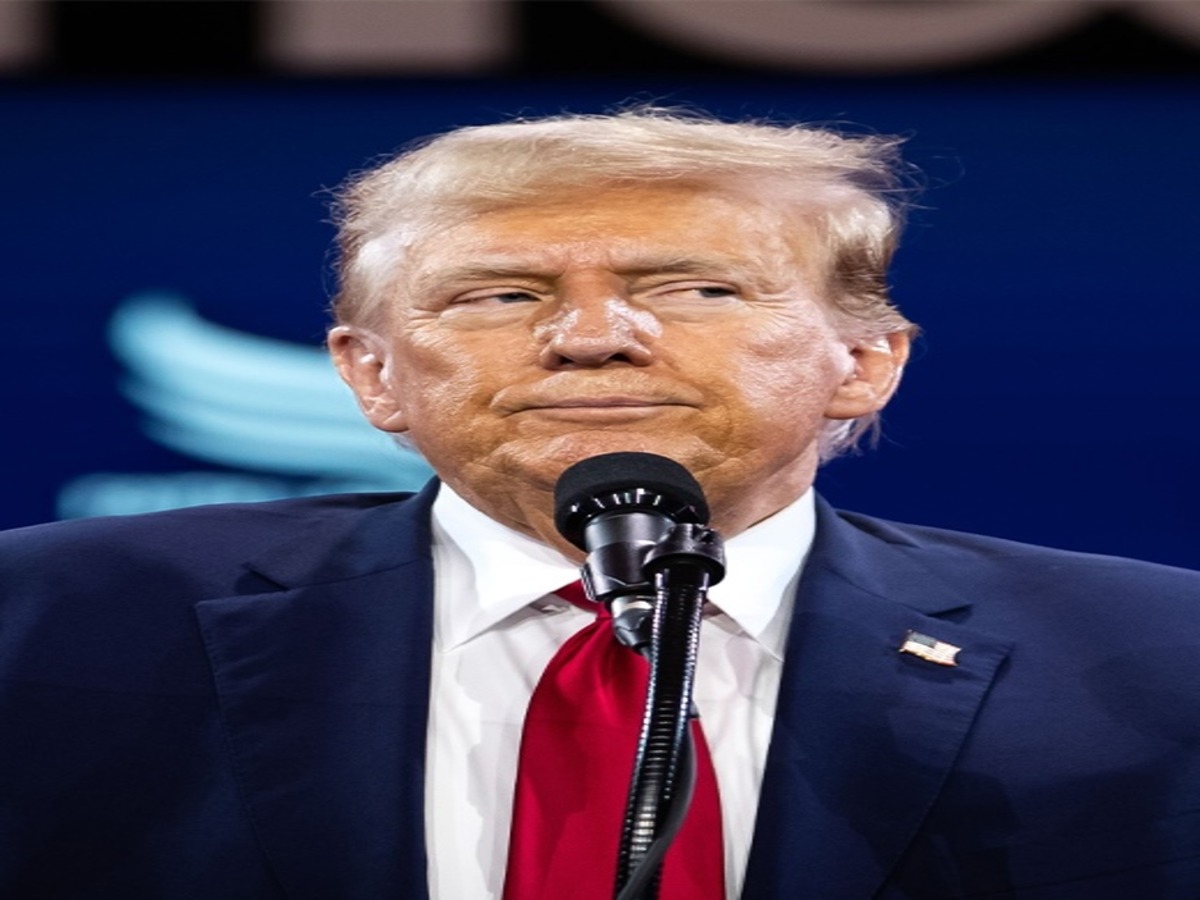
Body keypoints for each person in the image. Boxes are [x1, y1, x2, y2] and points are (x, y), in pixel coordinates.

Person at [2, 107, 1199, 900]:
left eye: (693, 288)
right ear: (372, 375)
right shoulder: (47, 628)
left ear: (865, 361)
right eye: (497, 295)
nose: (590, 337)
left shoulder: (1160, 665)